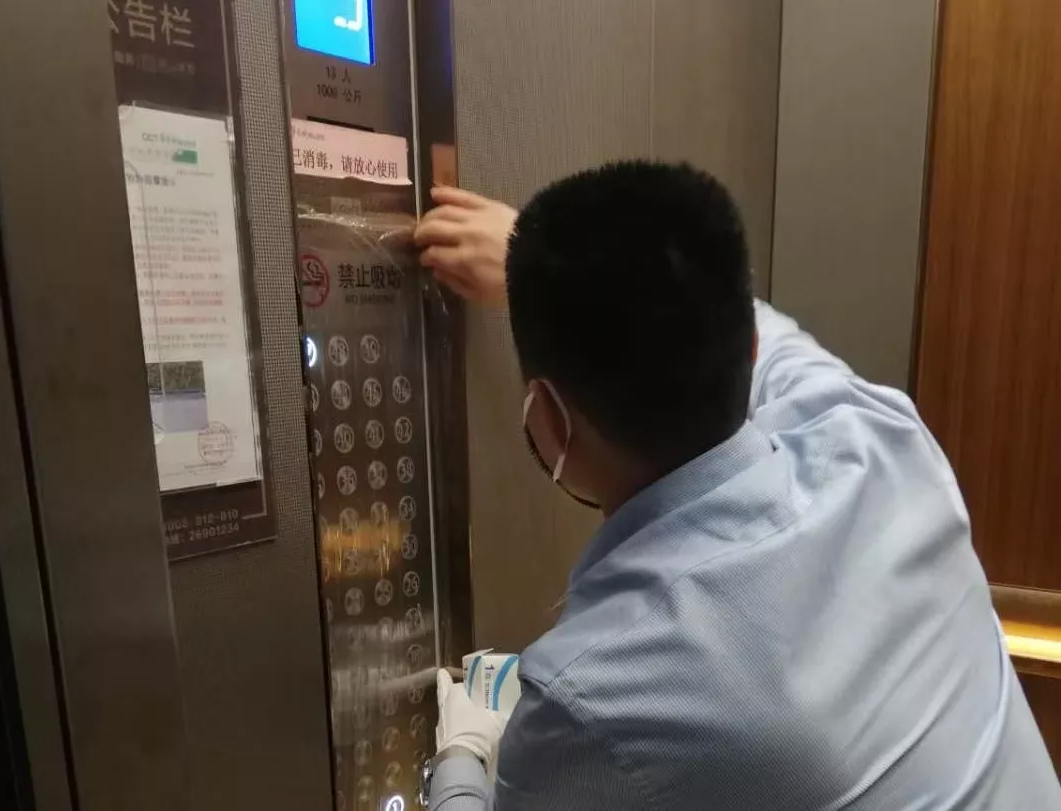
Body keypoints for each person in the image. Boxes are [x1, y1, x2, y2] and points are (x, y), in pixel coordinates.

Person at [412, 162, 1061, 810]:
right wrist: (532, 257)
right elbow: (751, 319)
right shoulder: (877, 434)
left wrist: (461, 754)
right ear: (749, 351)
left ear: (548, 419)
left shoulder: (591, 690)